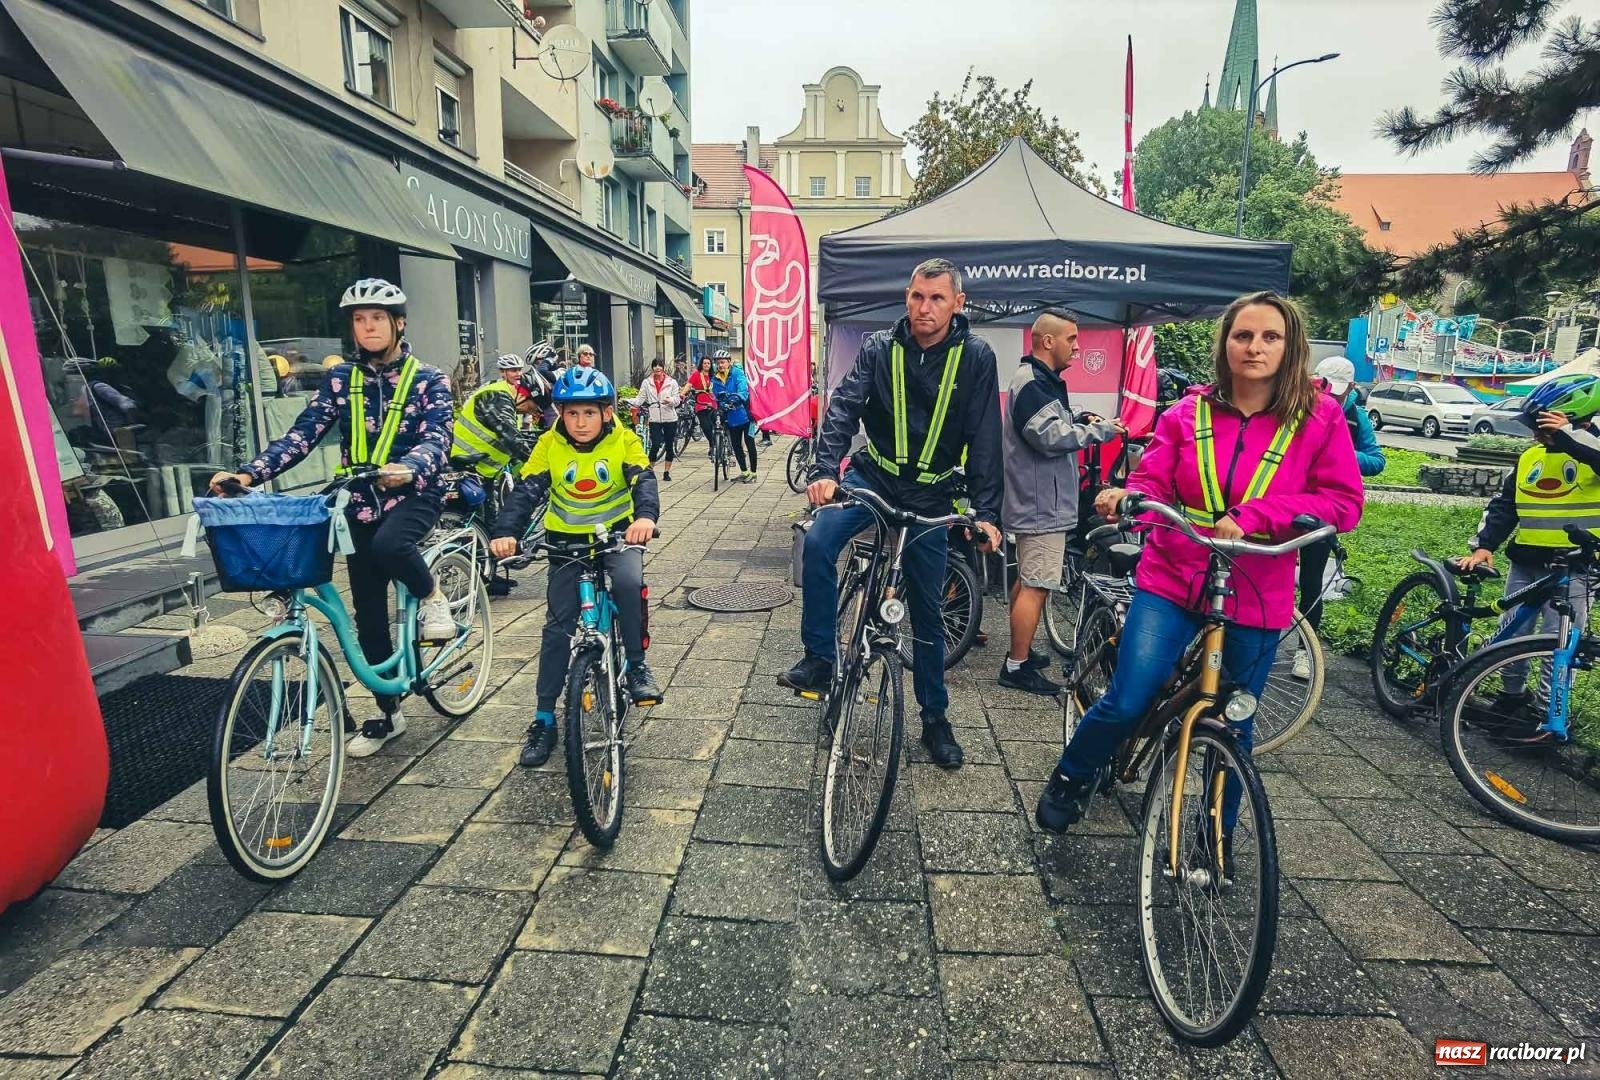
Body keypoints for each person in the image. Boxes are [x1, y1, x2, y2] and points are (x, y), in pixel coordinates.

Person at [1035, 291, 1363, 831]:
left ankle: (1217, 836)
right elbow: (1151, 478)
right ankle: (1071, 775)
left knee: (1236, 725)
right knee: (1131, 696)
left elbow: (1343, 502)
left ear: (1291, 347)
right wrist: (1130, 498)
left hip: (1257, 589)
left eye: (1270, 337)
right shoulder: (1189, 412)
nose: (1254, 347)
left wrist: (1260, 513)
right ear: (1226, 343)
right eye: (1243, 335)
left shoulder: (1319, 418)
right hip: (1173, 575)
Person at [210, 278, 456, 757]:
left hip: (415, 495)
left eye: (378, 319)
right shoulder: (342, 379)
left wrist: (410, 468)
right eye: (360, 320)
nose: (369, 327)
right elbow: (302, 435)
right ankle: (390, 711)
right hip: (358, 501)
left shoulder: (429, 379)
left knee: (391, 547)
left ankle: (434, 596)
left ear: (398, 323)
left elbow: (439, 438)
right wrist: (249, 474)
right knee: (366, 615)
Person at [782, 258, 1004, 769]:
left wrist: (987, 511)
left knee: (927, 608)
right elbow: (842, 408)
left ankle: (934, 718)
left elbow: (986, 438)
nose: (924, 308)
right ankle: (820, 656)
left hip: (931, 496)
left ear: (958, 304)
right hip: (873, 480)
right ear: (906, 296)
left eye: (937, 299)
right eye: (917, 296)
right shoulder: (879, 347)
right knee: (817, 544)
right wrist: (823, 470)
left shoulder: (976, 357)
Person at [489, 367, 663, 767]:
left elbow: (643, 480)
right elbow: (527, 489)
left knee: (628, 581)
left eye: (589, 413)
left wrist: (645, 517)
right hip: (565, 542)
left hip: (618, 536)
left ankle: (636, 665)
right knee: (556, 628)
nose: (580, 422)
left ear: (605, 413)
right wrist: (505, 531)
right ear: (560, 415)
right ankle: (544, 718)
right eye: (571, 414)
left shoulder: (624, 439)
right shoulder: (550, 444)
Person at [1454, 373, 1600, 733]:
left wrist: (1570, 437)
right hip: (1527, 562)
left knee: (1559, 642)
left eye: (1540, 424)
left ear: (1569, 417)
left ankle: (1546, 711)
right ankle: (1510, 697)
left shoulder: (1590, 449)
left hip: (1576, 569)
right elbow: (1505, 506)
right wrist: (1486, 545)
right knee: (1513, 632)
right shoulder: (1531, 456)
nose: (1535, 433)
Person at [1000, 310, 1125, 695]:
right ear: (1047, 341)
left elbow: (1051, 423)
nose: (1077, 346)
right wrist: (1100, 430)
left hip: (1038, 501)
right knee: (1037, 583)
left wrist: (1079, 417)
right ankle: (1016, 665)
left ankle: (1019, 652)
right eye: (1071, 339)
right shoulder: (1033, 383)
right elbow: (1049, 436)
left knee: (1027, 579)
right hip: (1042, 505)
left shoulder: (1040, 381)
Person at [1293, 356, 1386, 678]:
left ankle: (1306, 651)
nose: (1330, 399)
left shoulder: (1357, 419)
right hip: (1281, 503)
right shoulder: (1296, 405)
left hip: (1321, 511)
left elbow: (1377, 461)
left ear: (1350, 390)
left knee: (1311, 582)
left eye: (1338, 394)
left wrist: (1340, 454)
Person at [452, 355, 540, 485]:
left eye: (519, 370)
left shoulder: (505, 393)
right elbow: (508, 434)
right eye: (513, 370)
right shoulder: (497, 394)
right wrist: (536, 461)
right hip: (472, 457)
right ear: (503, 372)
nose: (518, 374)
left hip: (482, 460)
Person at [712, 350, 759, 481]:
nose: (720, 365)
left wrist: (736, 398)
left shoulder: (737, 373)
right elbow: (716, 395)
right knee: (736, 445)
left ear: (728, 362)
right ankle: (744, 472)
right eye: (718, 363)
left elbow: (743, 391)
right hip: (731, 417)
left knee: (750, 443)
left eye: (722, 362)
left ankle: (753, 473)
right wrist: (720, 404)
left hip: (746, 415)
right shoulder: (715, 378)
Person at [637, 357, 682, 481]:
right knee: (655, 444)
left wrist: (670, 400)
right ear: (652, 368)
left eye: (659, 365)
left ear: (663, 368)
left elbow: (677, 400)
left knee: (669, 445)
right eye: (655, 366)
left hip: (670, 418)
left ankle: (666, 472)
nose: (657, 368)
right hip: (655, 418)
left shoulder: (671, 382)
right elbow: (640, 399)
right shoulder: (647, 382)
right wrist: (628, 401)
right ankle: (650, 471)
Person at [687, 355, 718, 449]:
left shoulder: (714, 376)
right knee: (706, 427)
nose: (706, 365)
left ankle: (715, 446)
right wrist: (682, 394)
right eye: (705, 363)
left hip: (713, 405)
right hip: (701, 405)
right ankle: (713, 444)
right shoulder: (696, 374)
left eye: (708, 363)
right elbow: (688, 385)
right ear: (701, 364)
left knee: (715, 426)